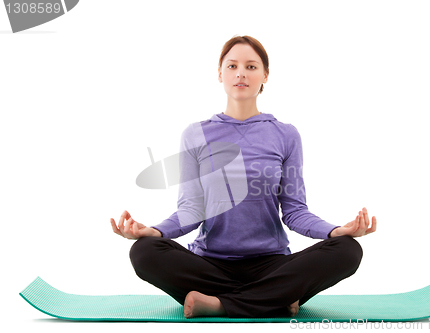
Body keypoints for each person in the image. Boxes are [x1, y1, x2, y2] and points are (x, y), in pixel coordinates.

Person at [110, 35, 377, 319]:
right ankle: (273, 298)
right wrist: (153, 231)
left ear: (265, 75)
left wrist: (337, 231)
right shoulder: (195, 134)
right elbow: (191, 209)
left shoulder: (286, 135)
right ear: (220, 74)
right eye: (232, 65)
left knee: (348, 250)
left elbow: (295, 211)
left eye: (251, 66)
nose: (240, 73)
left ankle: (220, 304)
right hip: (210, 266)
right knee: (144, 252)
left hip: (272, 265)